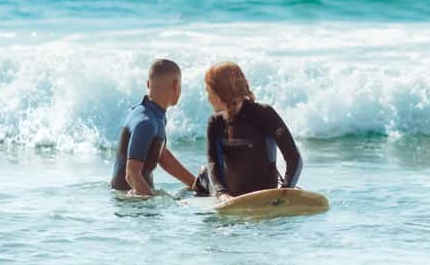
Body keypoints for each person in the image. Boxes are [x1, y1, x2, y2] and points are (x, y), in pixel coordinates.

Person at [193, 62, 301, 202]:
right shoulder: (215, 122)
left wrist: (285, 191)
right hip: (227, 195)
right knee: (206, 172)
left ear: (219, 94)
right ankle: (198, 185)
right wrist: (222, 194)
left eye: (208, 92)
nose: (207, 98)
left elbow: (294, 158)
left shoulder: (264, 114)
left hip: (264, 192)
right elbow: (213, 162)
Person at [110, 59, 198, 196]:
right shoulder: (146, 122)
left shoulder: (153, 115)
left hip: (136, 196)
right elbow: (131, 175)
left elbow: (162, 155)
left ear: (147, 84)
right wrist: (152, 202)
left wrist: (196, 184)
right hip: (132, 205)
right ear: (175, 85)